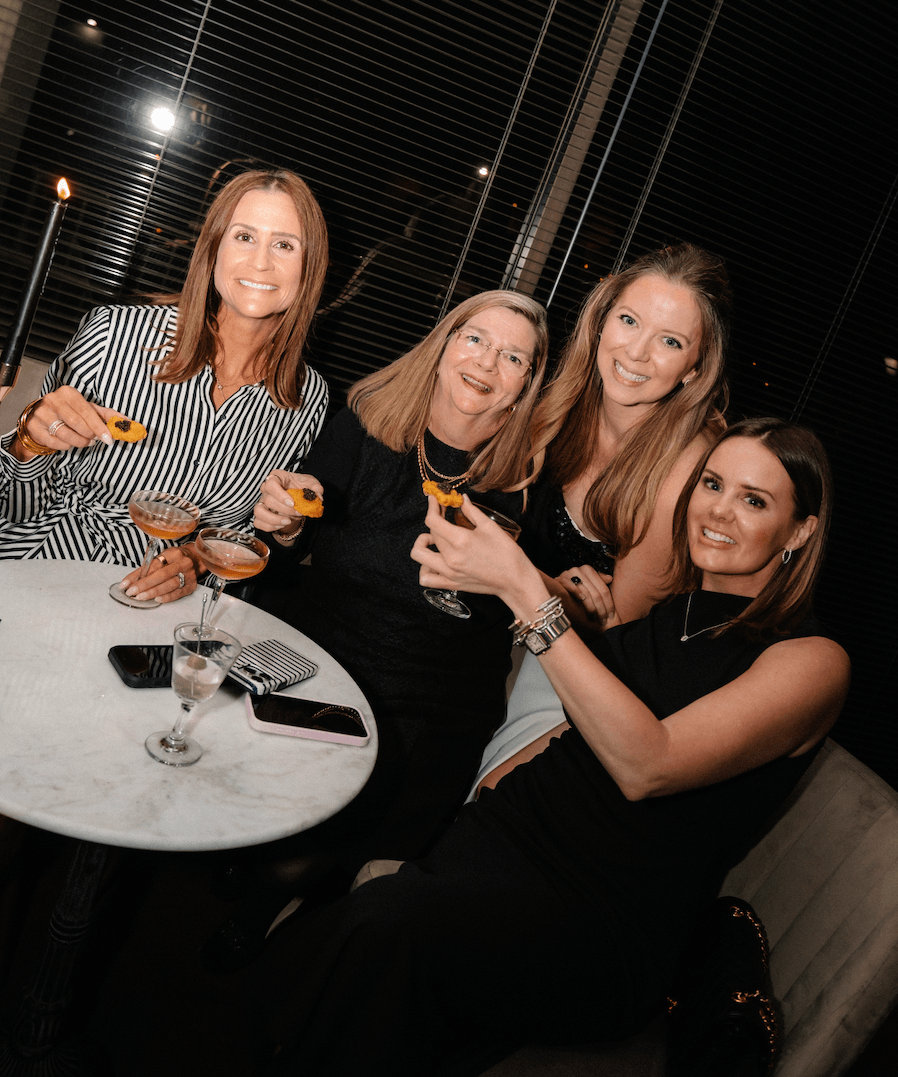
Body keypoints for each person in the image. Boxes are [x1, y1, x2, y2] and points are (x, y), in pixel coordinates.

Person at [252, 418, 849, 1075]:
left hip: (599, 921)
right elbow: (577, 727)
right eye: (712, 484)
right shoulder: (673, 615)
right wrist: (492, 793)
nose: (719, 510)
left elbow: (645, 765)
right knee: (359, 931)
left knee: (383, 926)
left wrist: (525, 593)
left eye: (754, 500)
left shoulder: (812, 661)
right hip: (506, 845)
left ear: (800, 531)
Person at [203, 290, 548, 967]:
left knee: (332, 867)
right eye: (475, 339)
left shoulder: (530, 482)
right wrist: (284, 522)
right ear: (444, 344)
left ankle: (284, 917)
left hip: (435, 706)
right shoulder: (364, 423)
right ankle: (259, 881)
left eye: (514, 357)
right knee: (274, 848)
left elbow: (539, 600)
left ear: (527, 386)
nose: (487, 363)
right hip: (324, 666)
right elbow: (287, 541)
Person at [0, 169, 329, 601]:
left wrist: (200, 557)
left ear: (309, 268)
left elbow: (242, 539)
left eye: (284, 244)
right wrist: (29, 443)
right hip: (44, 571)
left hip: (166, 612)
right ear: (214, 249)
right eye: (244, 237)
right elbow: (13, 507)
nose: (261, 262)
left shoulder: (307, 397)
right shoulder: (114, 334)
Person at [475, 242, 730, 793]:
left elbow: (616, 630)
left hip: (603, 678)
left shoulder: (689, 467)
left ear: (694, 368)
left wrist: (517, 576)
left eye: (669, 342)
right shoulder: (562, 405)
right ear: (601, 320)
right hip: (517, 630)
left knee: (490, 798)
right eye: (628, 320)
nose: (636, 353)